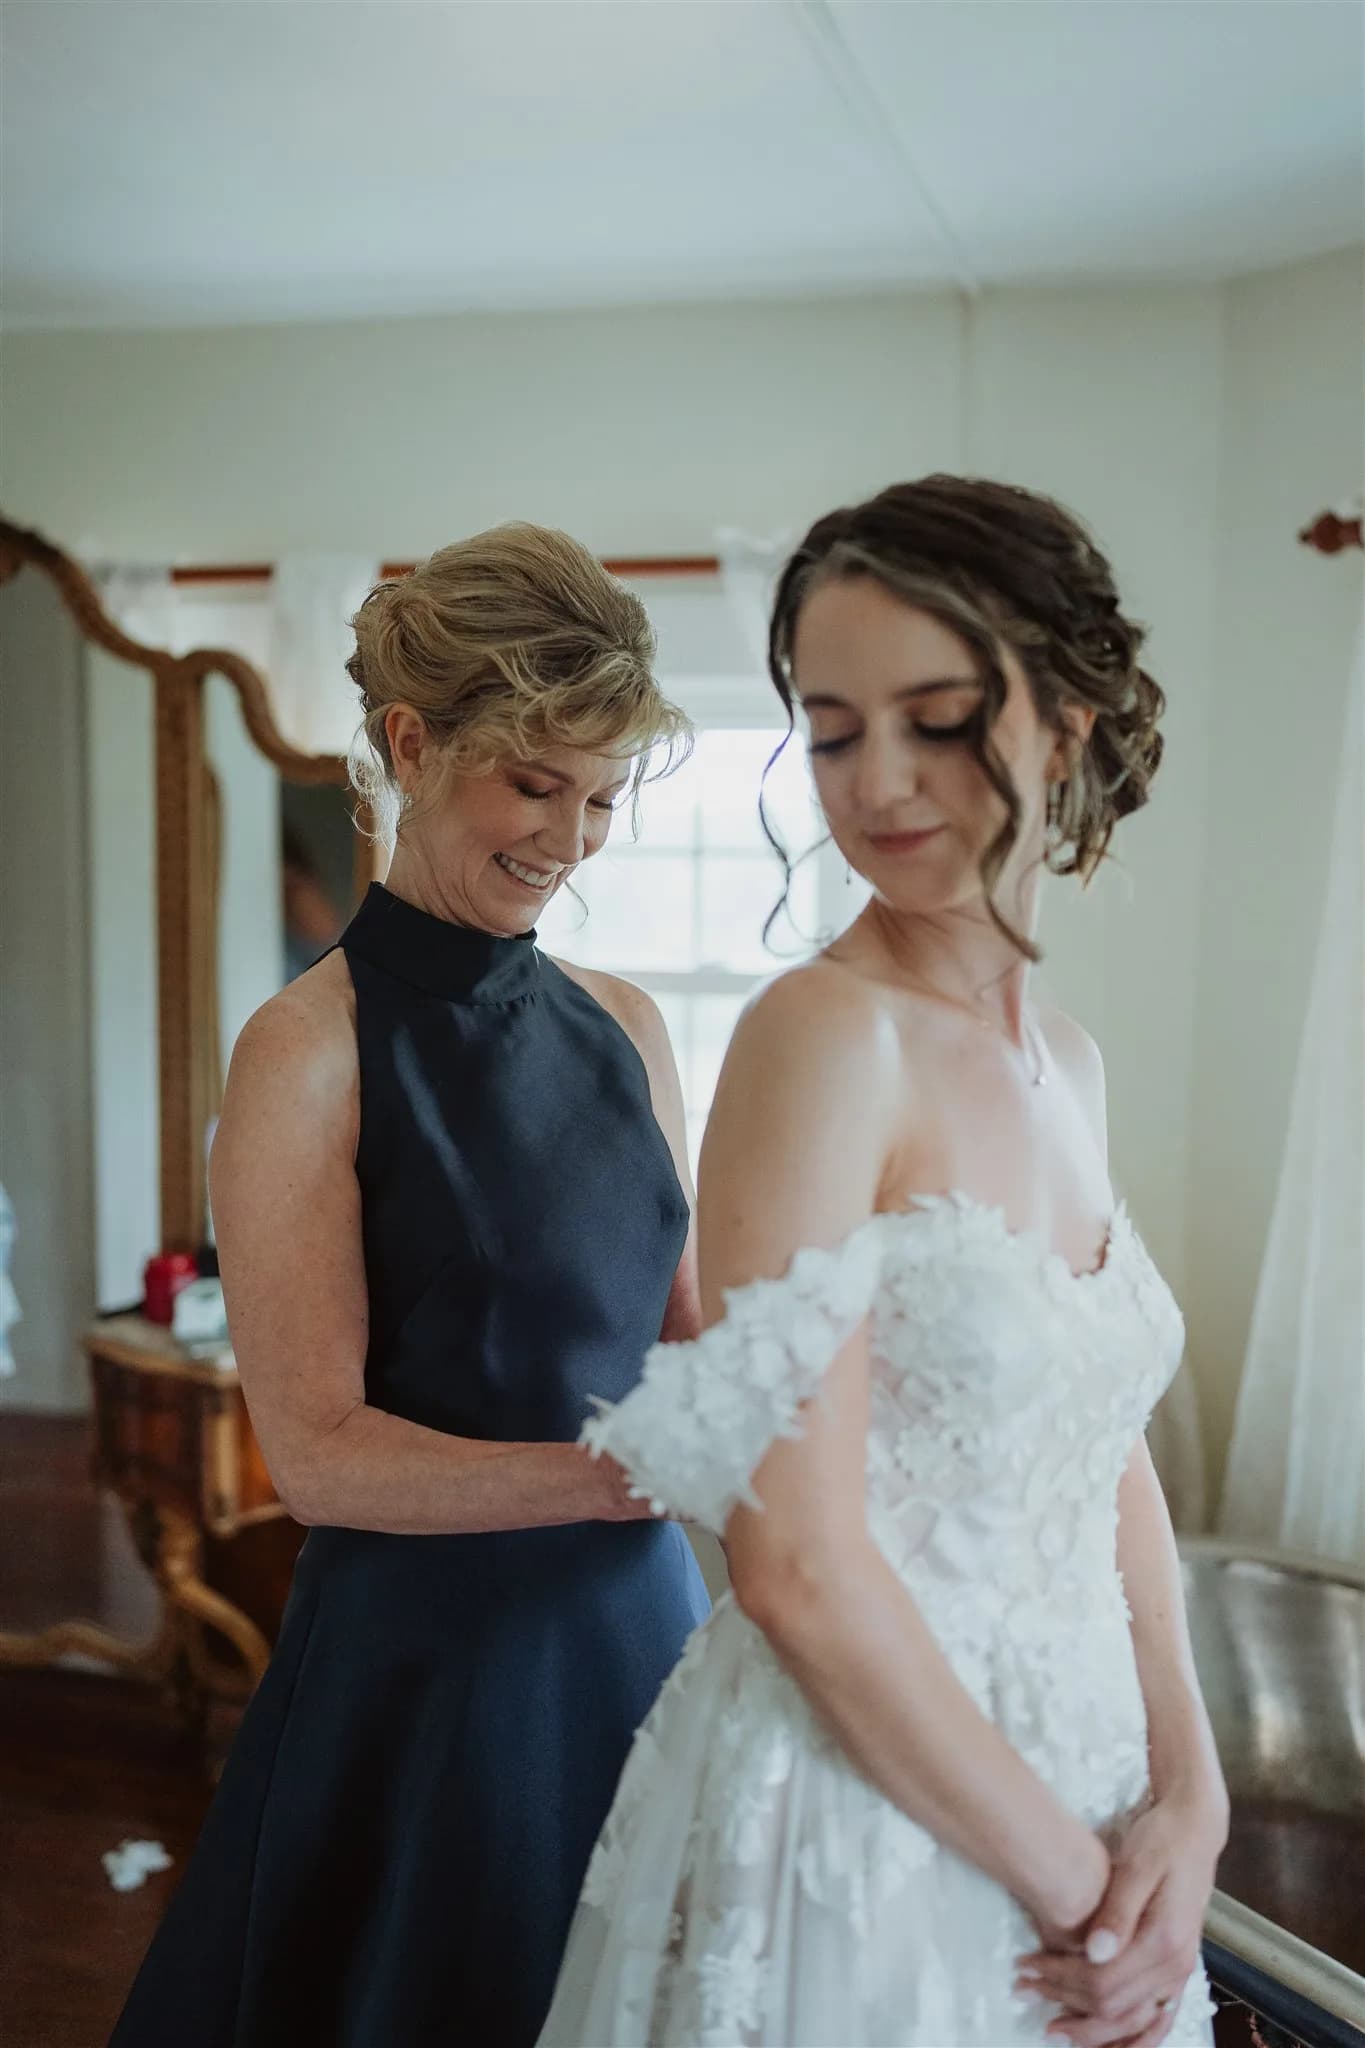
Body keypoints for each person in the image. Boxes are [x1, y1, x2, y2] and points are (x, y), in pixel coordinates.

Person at [539, 477, 1227, 2048]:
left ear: (1067, 717)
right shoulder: (820, 1036)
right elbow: (793, 1568)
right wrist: (1075, 1889)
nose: (881, 783)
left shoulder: (1072, 1059)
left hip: (1096, 1792)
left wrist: (1186, 1795)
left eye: (935, 717)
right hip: (876, 1826)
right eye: (834, 730)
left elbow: (1099, 1450)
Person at [110, 524, 711, 2048]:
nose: (571, 840)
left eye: (602, 799)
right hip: (436, 1682)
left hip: (644, 1634)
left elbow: (698, 1346)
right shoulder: (306, 1051)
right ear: (409, 742)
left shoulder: (630, 1027)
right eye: (533, 784)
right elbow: (315, 1456)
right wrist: (615, 1479)